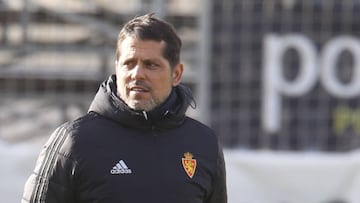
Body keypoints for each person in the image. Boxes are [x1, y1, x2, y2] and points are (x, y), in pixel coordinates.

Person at [22, 13, 227, 203]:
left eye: (151, 65)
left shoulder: (203, 144)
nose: (137, 74)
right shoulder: (74, 141)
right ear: (117, 68)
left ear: (177, 74)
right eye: (129, 63)